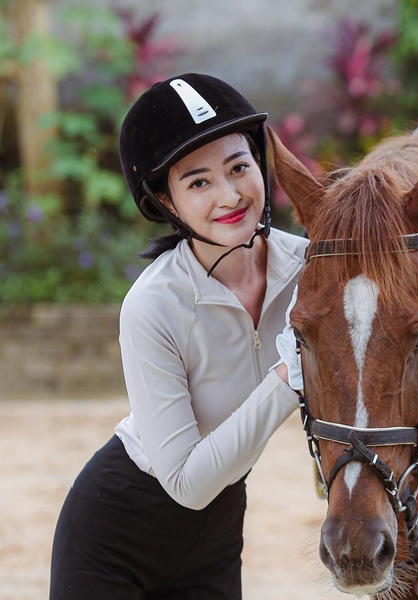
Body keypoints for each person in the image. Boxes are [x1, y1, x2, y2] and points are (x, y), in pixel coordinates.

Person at [49, 73, 306, 599]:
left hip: (217, 532)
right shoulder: (153, 305)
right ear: (165, 202)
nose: (230, 194)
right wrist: (291, 375)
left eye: (239, 167)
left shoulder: (311, 272)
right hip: (115, 532)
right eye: (198, 182)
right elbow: (187, 485)